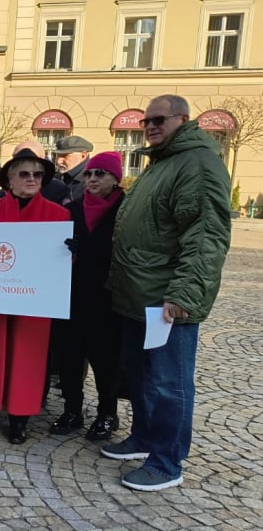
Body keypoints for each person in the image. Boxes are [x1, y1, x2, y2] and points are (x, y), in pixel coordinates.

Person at [102, 94, 231, 492]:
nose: (151, 126)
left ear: (183, 119)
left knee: (168, 383)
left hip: (165, 299)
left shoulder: (198, 163)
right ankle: (144, 437)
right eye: (146, 121)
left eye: (159, 119)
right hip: (137, 294)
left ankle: (166, 461)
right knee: (140, 377)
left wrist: (184, 294)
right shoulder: (164, 162)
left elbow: (206, 234)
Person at [0, 146, 70, 444]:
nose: (31, 179)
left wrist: (69, 255)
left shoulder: (58, 216)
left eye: (37, 174)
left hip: (31, 303)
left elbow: (62, 266)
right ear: (10, 178)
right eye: (24, 174)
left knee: (26, 359)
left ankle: (19, 420)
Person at [49, 152, 126, 440]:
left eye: (100, 174)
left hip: (108, 297)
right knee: (70, 356)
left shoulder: (123, 209)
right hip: (73, 294)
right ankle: (72, 410)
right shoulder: (75, 208)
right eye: (89, 174)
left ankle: (108, 413)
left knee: (105, 359)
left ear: (115, 179)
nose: (92, 179)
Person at [53, 135, 94, 201]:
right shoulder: (57, 178)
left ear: (83, 155)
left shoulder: (93, 182)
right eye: (57, 156)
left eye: (65, 156)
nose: (58, 161)